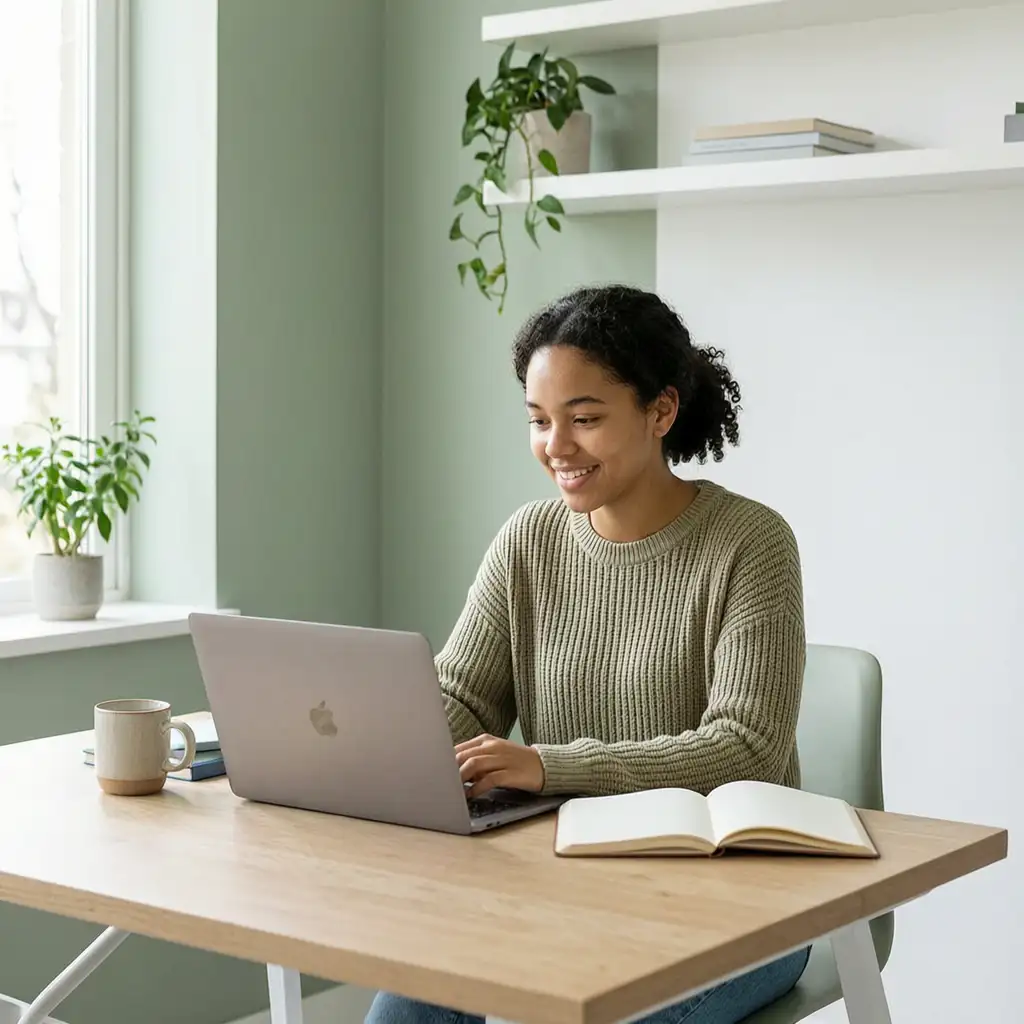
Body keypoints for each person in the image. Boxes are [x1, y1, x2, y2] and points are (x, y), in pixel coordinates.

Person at [366, 284, 809, 1024]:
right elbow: (464, 698)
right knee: (405, 1011)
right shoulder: (529, 540)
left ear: (660, 411)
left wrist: (551, 765)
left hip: (740, 906)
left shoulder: (751, 544)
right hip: (566, 887)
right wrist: (369, 740)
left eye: (585, 419)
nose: (556, 447)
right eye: (539, 422)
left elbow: (749, 750)